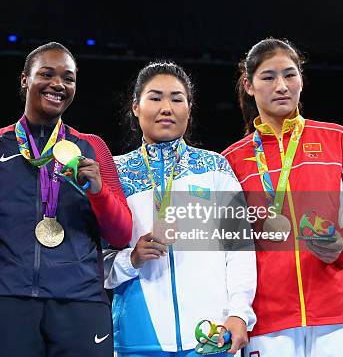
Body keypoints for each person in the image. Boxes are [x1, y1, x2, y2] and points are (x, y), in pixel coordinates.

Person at [221, 38, 343, 356]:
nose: (281, 86)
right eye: (268, 77)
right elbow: (228, 246)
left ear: (301, 79)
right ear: (249, 84)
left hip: (339, 310)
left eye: (290, 74)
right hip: (268, 319)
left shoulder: (336, 139)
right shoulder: (230, 160)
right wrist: (235, 311)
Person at [0, 41, 132, 357]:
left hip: (81, 301)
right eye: (47, 74)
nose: (58, 84)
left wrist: (98, 192)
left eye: (68, 78)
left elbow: (121, 234)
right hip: (5, 299)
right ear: (24, 79)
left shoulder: (92, 148)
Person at [105, 61, 257, 357]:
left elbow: (239, 248)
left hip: (211, 333)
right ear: (136, 107)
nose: (166, 107)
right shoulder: (114, 172)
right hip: (138, 336)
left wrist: (239, 313)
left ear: (189, 108)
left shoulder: (215, 168)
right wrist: (131, 258)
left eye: (177, 98)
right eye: (155, 97)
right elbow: (93, 259)